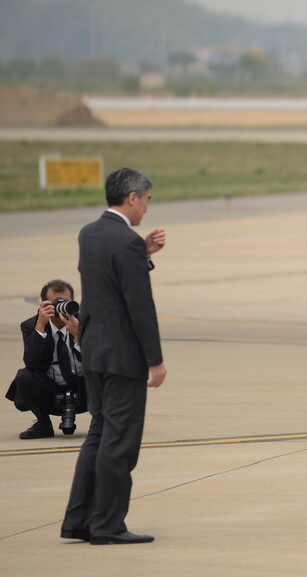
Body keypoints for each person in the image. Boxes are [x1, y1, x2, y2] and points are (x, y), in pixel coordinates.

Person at [61, 167, 167, 545]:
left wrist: (142, 251)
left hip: (94, 351)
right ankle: (107, 524)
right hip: (123, 356)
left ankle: (78, 520)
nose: (146, 209)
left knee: (100, 435)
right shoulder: (125, 241)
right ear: (132, 196)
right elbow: (140, 305)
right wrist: (154, 359)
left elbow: (104, 277)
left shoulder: (90, 233)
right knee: (120, 441)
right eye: (147, 200)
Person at [5, 280, 87, 439]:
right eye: (55, 303)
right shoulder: (31, 325)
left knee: (110, 372)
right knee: (24, 376)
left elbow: (100, 361)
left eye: (65, 302)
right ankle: (43, 424)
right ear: (43, 304)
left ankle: (104, 422)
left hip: (86, 390)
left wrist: (78, 334)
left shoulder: (85, 321)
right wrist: (40, 327)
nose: (60, 308)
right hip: (50, 392)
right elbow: (31, 363)